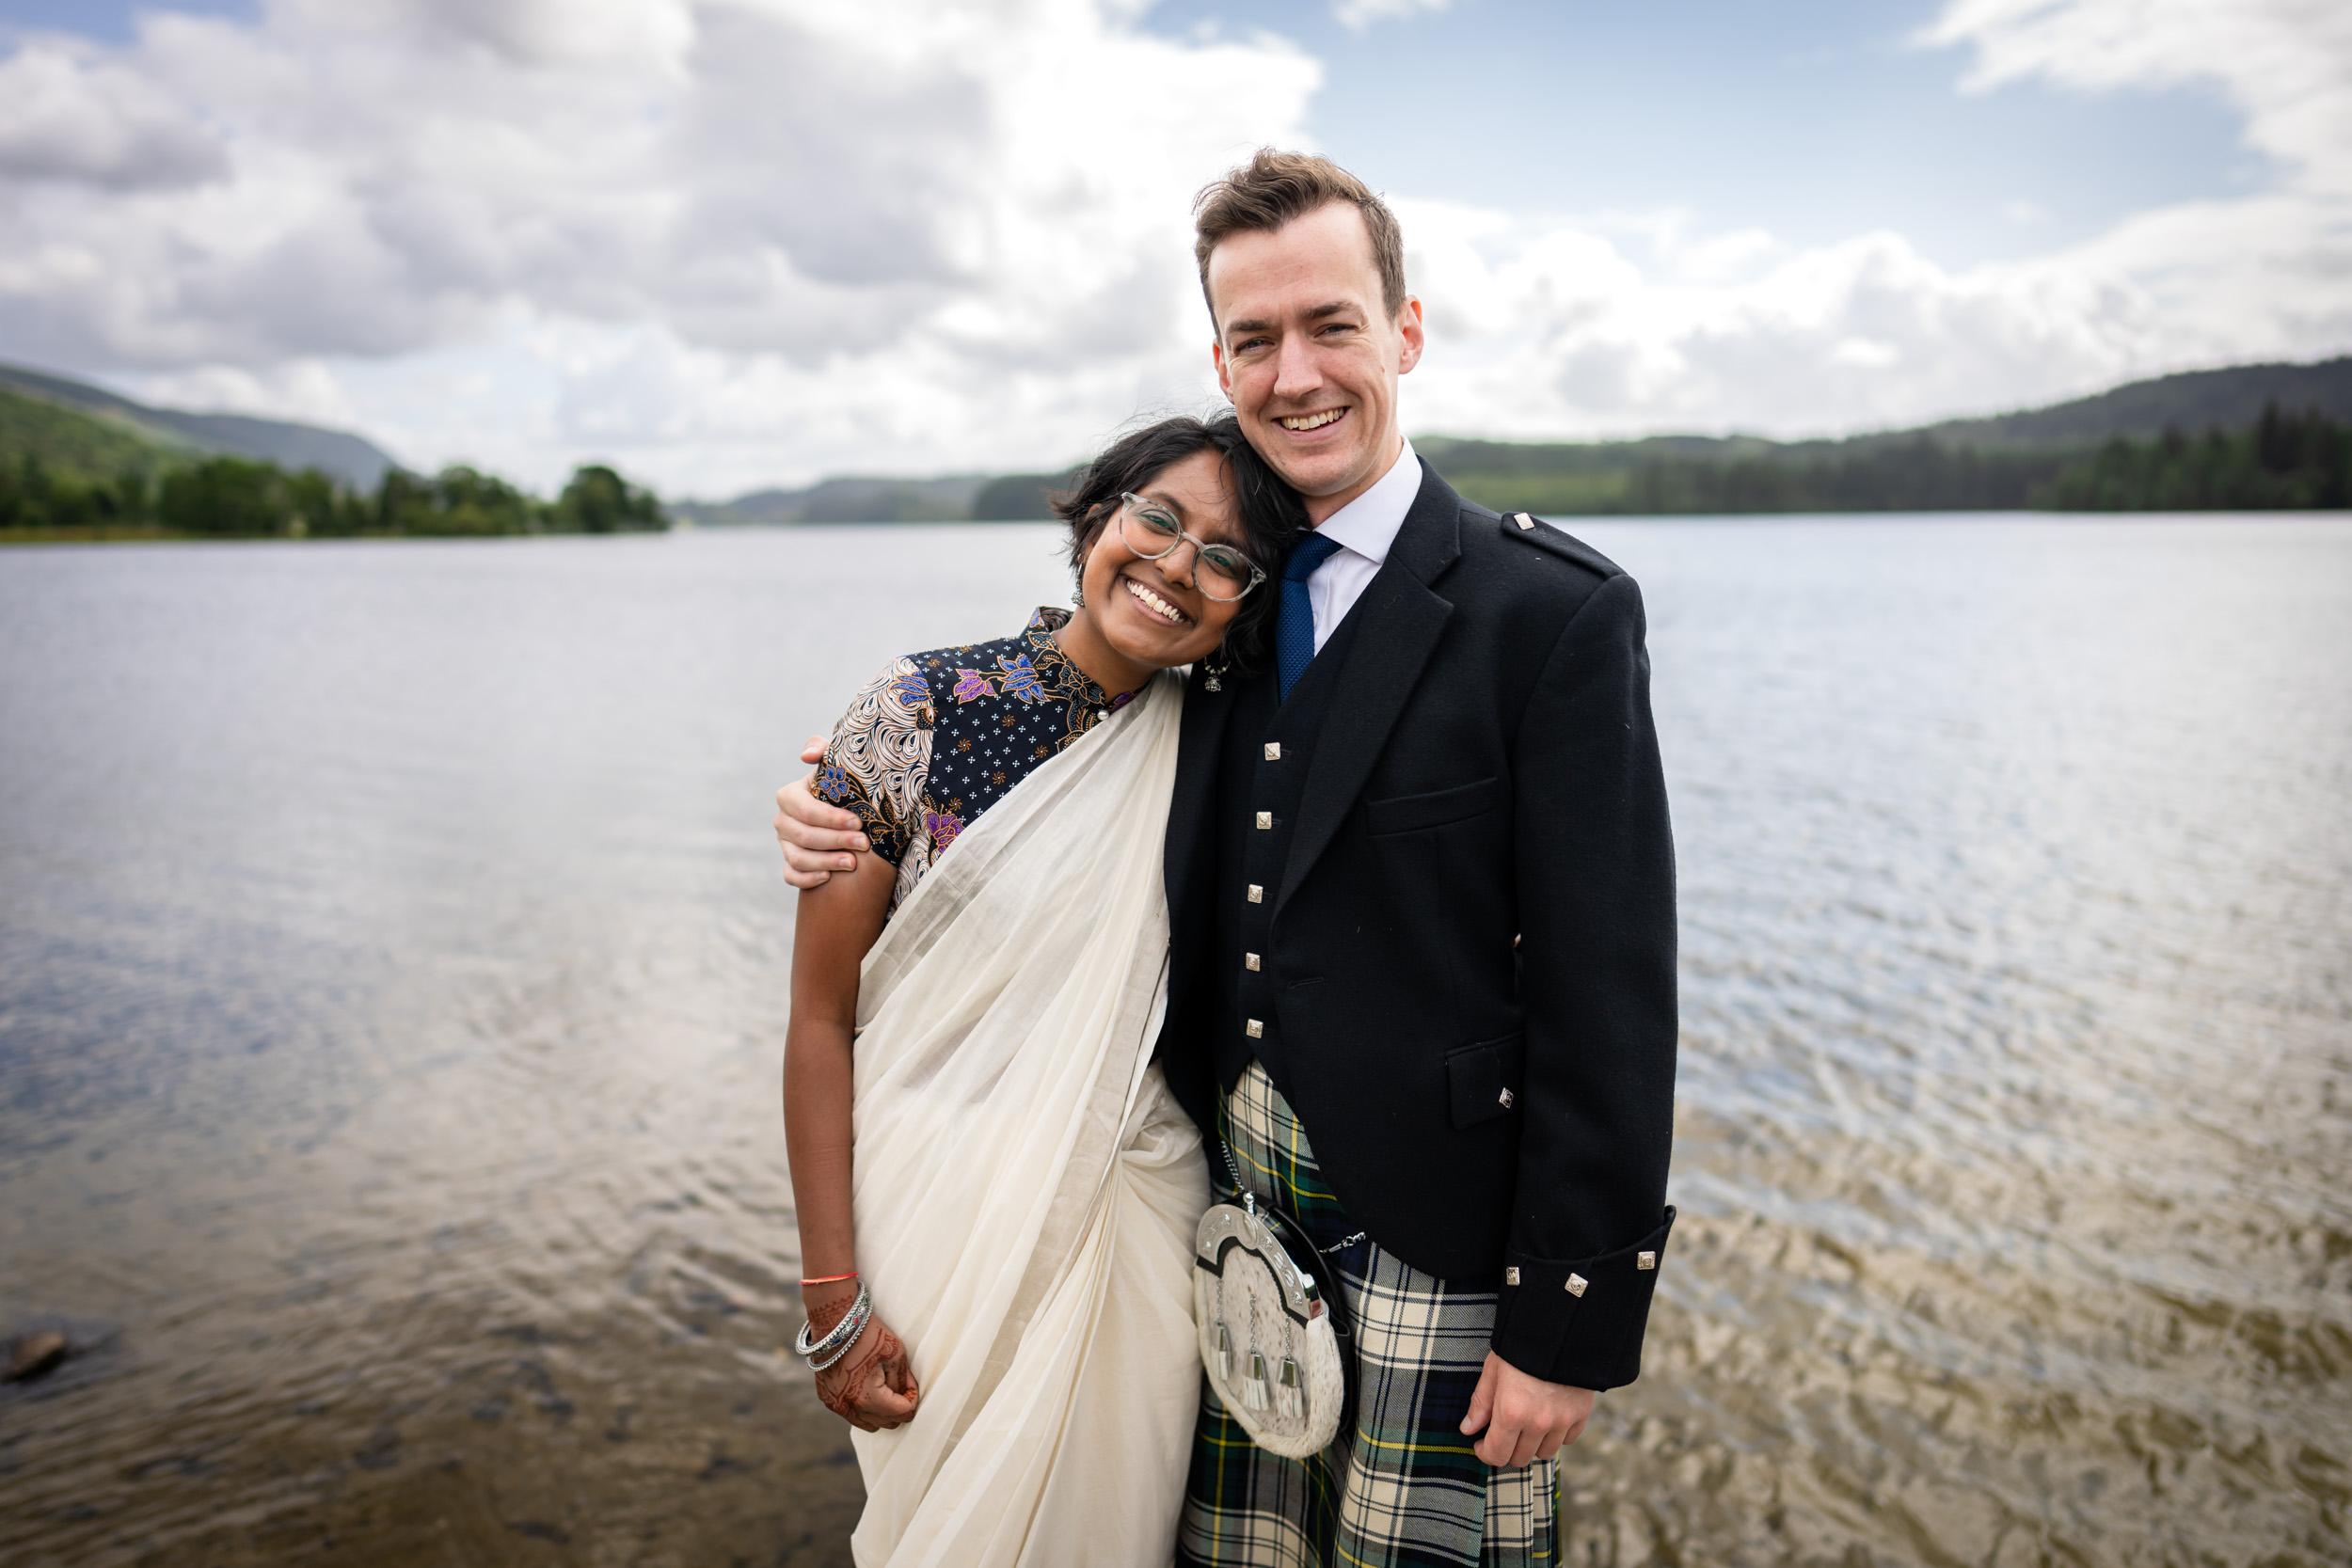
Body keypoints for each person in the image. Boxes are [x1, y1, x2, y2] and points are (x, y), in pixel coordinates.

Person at [776, 150, 1677, 1568]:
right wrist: (831, 800)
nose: (1295, 372)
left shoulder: (1543, 614)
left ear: (1407, 334)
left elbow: (1611, 994)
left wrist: (1566, 1324)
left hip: (1438, 1238)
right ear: (1220, 354)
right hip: (1217, 1223)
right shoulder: (1220, 624)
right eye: (1254, 338)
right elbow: (1029, 749)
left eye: (1332, 325)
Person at [781, 414, 1301, 1566]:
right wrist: (830, 1298)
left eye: (1225, 557)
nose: (1175, 565)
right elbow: (820, 1020)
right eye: (1156, 517)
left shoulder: (1229, 751)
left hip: (1131, 1217)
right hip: (934, 1211)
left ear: (1244, 602)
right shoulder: (916, 711)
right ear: (1095, 516)